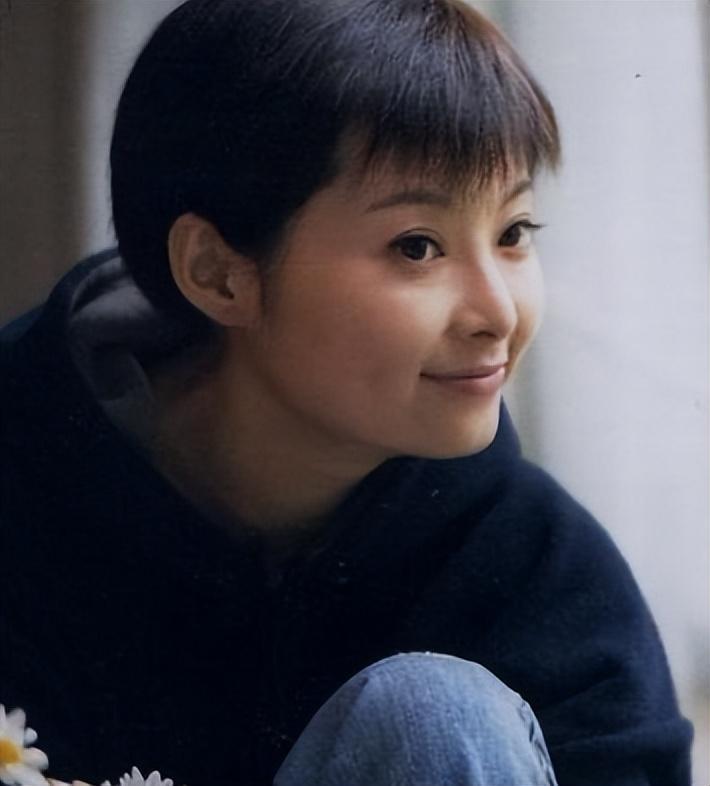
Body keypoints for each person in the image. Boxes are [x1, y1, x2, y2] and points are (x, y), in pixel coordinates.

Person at [0, 0, 693, 784]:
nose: (498, 312)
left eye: (513, 234)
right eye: (417, 247)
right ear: (218, 273)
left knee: (435, 716)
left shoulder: (536, 564)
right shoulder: (23, 489)